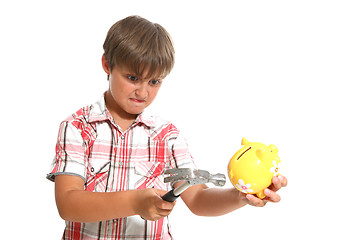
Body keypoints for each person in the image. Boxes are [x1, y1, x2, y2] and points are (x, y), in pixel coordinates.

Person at [47, 15, 287, 240]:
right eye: (132, 78)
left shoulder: (167, 136)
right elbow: (68, 205)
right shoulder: (77, 128)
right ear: (107, 65)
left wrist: (241, 197)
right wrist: (135, 202)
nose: (143, 92)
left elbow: (199, 200)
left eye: (154, 82)